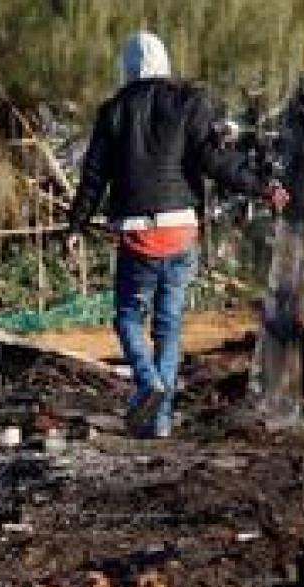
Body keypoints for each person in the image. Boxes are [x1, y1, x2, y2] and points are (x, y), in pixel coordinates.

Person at [68, 31, 289, 438]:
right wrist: (263, 186)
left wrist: (76, 224)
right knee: (168, 326)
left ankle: (148, 382)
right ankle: (161, 421)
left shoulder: (113, 111)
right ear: (165, 63)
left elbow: (94, 176)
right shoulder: (190, 102)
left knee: (128, 318)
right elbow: (214, 160)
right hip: (181, 229)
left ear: (127, 67)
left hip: (137, 235)